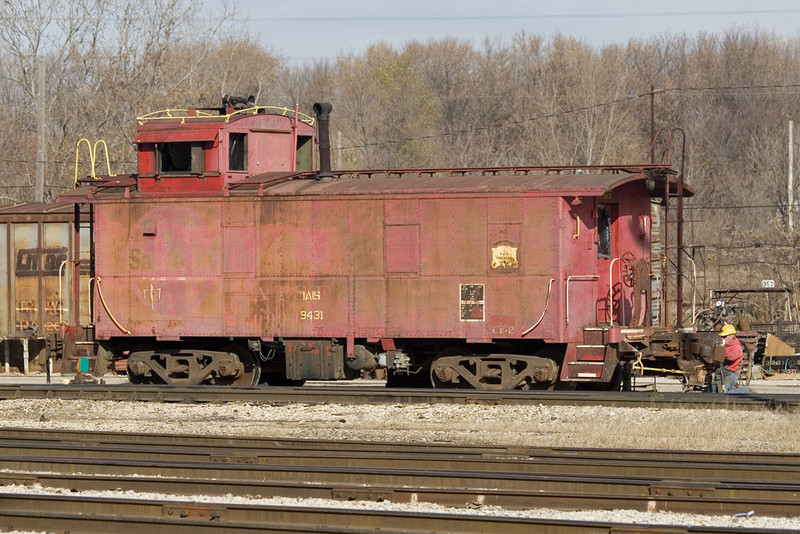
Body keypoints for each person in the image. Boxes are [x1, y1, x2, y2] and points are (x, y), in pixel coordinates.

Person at [715, 324, 744, 393]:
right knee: (717, 390)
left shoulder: (736, 346)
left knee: (727, 391)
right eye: (722, 336)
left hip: (730, 372)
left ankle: (744, 393)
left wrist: (721, 350)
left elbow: (731, 357)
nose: (722, 338)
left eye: (724, 336)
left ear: (731, 336)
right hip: (722, 371)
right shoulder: (726, 345)